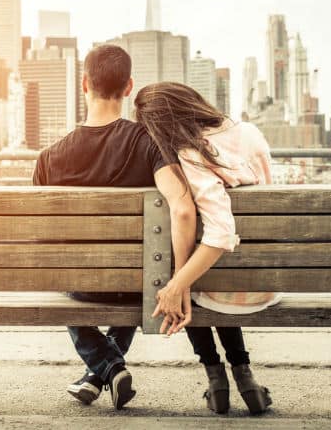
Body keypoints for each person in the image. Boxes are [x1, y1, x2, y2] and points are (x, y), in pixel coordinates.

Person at [32, 46, 196, 410]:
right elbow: (183, 209)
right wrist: (179, 281)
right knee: (139, 271)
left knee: (66, 275)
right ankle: (105, 369)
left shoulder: (48, 158)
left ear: (84, 85)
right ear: (128, 87)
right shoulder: (149, 143)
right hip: (135, 283)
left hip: (81, 288)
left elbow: (41, 241)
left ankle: (103, 368)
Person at [134, 81, 281, 415]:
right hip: (265, 279)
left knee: (188, 287)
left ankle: (217, 380)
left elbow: (221, 234)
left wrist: (177, 283)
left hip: (229, 288)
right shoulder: (249, 131)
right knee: (201, 279)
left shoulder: (193, 153)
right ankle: (245, 377)